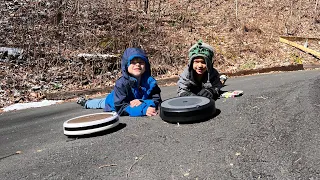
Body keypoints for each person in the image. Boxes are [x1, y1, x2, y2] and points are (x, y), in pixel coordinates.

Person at [77, 47, 162, 117]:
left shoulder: (151, 82)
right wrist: (143, 109)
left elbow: (157, 100)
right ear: (126, 65)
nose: (137, 65)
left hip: (128, 99)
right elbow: (121, 107)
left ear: (146, 65)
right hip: (115, 101)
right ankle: (86, 102)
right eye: (133, 62)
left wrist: (143, 102)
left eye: (141, 62)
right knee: (101, 103)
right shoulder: (121, 83)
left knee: (103, 101)